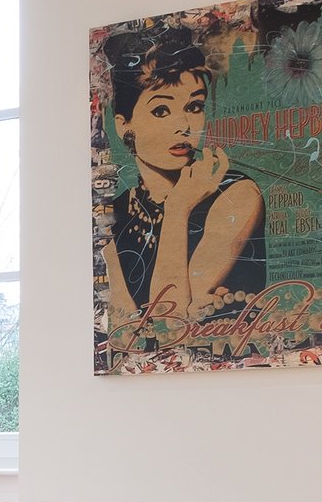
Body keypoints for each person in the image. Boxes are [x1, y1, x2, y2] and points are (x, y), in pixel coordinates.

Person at [98, 25, 266, 330]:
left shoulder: (237, 195)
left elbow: (166, 319)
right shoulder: (112, 217)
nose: (185, 126)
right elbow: (129, 333)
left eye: (194, 107)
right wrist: (178, 205)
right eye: (161, 110)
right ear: (125, 126)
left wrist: (178, 208)